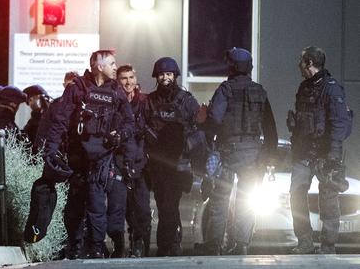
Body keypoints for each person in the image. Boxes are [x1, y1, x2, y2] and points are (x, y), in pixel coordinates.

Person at [43, 50, 137, 259]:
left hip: (102, 157)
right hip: (78, 156)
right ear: (98, 66)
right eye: (111, 64)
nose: (115, 67)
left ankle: (96, 246)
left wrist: (119, 136)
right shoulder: (78, 88)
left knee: (96, 203)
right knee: (75, 203)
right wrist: (51, 151)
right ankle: (75, 245)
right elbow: (60, 120)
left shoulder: (116, 91)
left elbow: (130, 123)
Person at [200, 47, 278, 255]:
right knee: (246, 200)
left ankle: (213, 244)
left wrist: (210, 140)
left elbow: (214, 119)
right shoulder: (260, 91)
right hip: (253, 153)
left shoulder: (225, 89)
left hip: (229, 150)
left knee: (220, 199)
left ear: (232, 66)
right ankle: (241, 244)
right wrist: (269, 155)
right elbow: (270, 127)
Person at [288, 46, 353, 254]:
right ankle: (305, 242)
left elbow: (340, 123)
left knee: (328, 198)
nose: (299, 65)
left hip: (325, 155)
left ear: (309, 63)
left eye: (302, 61)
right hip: (304, 153)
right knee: (296, 194)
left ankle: (328, 245)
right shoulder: (304, 88)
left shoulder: (332, 88)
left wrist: (333, 155)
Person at [142, 57, 200, 256]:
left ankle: (171, 243)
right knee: (163, 202)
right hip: (157, 162)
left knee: (171, 203)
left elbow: (197, 129)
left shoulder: (186, 100)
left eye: (168, 74)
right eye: (161, 74)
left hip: (179, 161)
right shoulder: (149, 101)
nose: (165, 77)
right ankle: (167, 244)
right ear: (156, 76)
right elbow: (141, 127)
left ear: (175, 76)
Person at [112, 64, 152, 257]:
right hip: (120, 163)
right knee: (125, 208)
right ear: (117, 81)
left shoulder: (145, 102)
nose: (128, 82)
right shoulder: (114, 102)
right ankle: (129, 243)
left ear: (136, 79)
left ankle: (140, 241)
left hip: (141, 163)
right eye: (123, 78)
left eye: (130, 77)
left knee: (143, 208)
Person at [22, 84, 51, 155]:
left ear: (38, 98)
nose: (30, 105)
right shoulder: (53, 112)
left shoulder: (39, 117)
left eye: (30, 100)